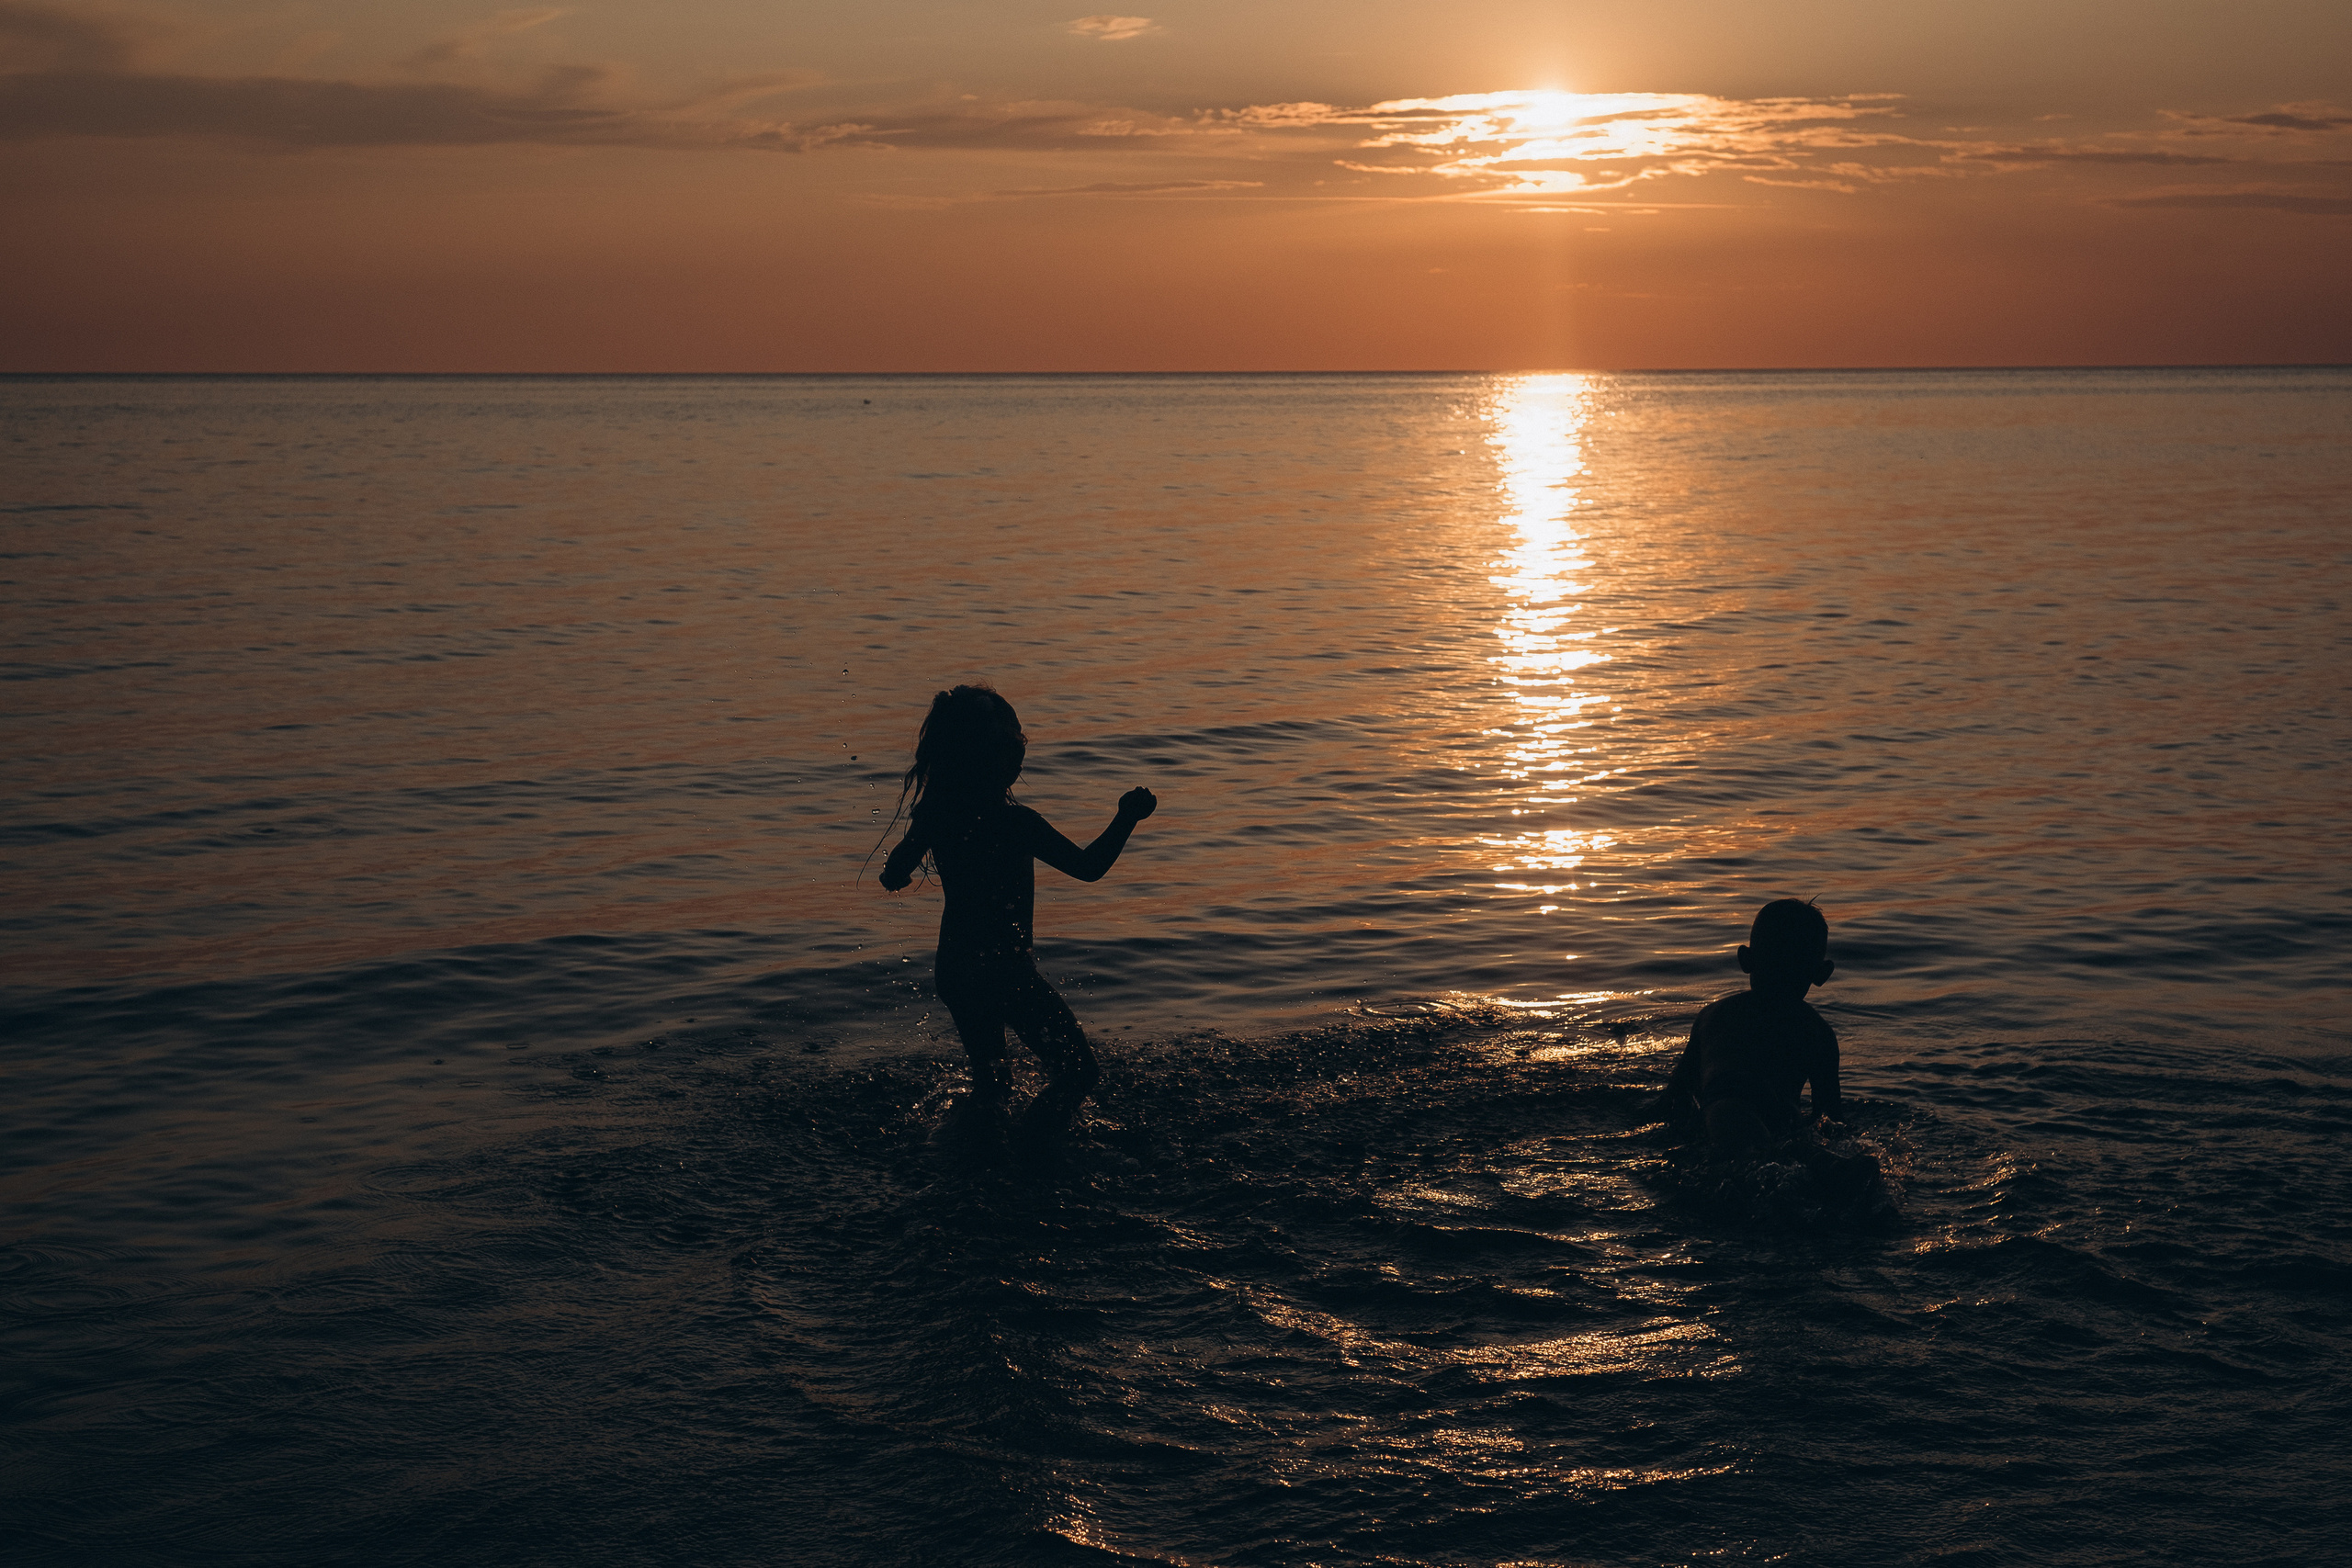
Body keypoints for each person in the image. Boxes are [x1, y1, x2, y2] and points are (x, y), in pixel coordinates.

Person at [877, 683, 1156, 1135]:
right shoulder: (1016, 824)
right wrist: (1127, 817)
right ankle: (1033, 1151)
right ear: (993, 757)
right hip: (1005, 970)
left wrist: (903, 870)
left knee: (993, 1086)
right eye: (1015, 744)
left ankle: (971, 1160)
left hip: (955, 967)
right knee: (1078, 1073)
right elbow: (1088, 868)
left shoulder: (938, 817)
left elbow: (892, 875)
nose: (1021, 755)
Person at [1659, 897, 1846, 1157]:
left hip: (1722, 1111)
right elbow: (1831, 1123)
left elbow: (1675, 1098)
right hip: (1779, 1116)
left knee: (1743, 1149)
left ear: (1745, 960)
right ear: (1822, 974)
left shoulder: (1713, 1016)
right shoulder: (1818, 1032)